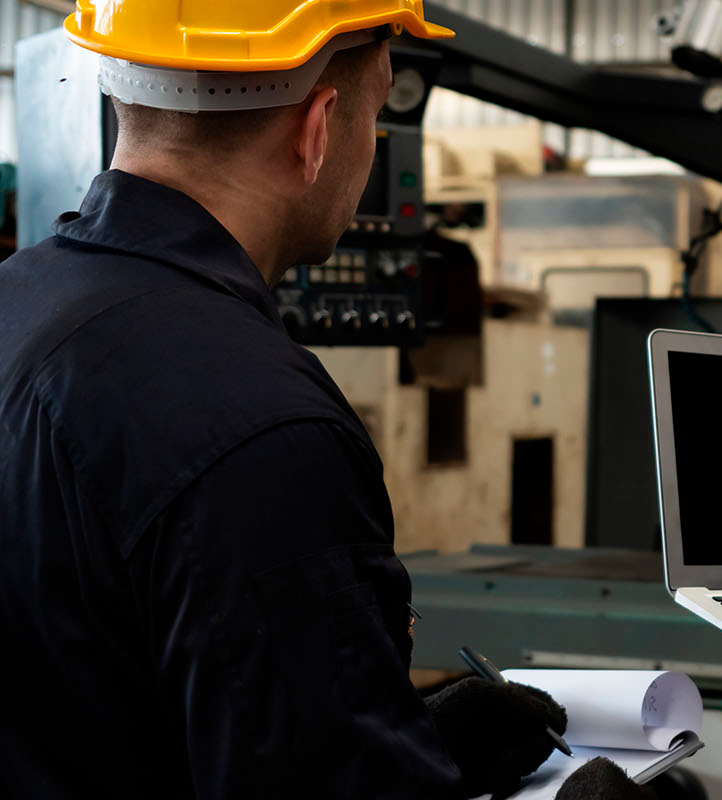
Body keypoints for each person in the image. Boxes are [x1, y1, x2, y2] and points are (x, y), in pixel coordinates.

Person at [0, 2, 638, 797]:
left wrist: (397, 734)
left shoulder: (15, 305)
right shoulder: (264, 427)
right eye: (376, 111)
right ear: (319, 129)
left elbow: (96, 699)